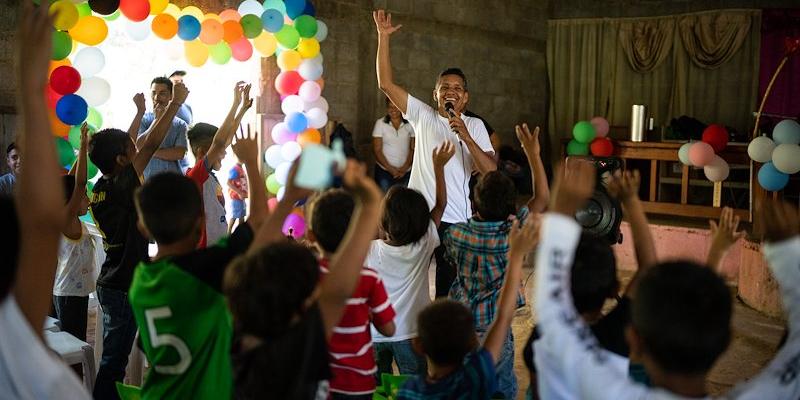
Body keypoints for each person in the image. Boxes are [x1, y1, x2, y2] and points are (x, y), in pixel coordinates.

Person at [532, 159, 736, 399]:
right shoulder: (614, 342)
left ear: (635, 340)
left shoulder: (569, 352)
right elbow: (650, 270)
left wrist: (562, 209)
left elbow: (553, 313)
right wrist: (716, 255)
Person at [224, 160, 383, 399]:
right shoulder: (300, 348)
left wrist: (287, 200)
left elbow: (252, 262)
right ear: (305, 302)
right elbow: (338, 291)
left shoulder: (228, 338)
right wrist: (370, 203)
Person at [128, 127, 265, 399]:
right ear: (200, 223)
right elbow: (259, 220)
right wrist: (251, 160)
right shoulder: (206, 269)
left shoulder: (141, 280)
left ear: (143, 228)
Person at [374, 9, 497, 297]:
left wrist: (464, 135)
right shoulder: (422, 115)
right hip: (418, 214)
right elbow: (385, 84)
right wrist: (383, 38)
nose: (450, 91)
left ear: (465, 97)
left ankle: (440, 338)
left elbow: (490, 171)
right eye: (445, 88)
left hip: (455, 220)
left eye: (457, 88)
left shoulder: (475, 126)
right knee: (408, 286)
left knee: (448, 289)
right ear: (435, 94)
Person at [1, 3, 90, 397]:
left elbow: (39, 225)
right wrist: (32, 89)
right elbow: (41, 223)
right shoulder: (39, 380)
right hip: (65, 295)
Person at [89, 82, 189, 399]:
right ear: (122, 160)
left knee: (120, 357)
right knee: (113, 362)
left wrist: (142, 113)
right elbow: (148, 145)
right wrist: (174, 105)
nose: (137, 148)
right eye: (130, 149)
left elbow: (137, 144)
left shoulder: (100, 187)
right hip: (121, 284)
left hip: (115, 280)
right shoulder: (122, 183)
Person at [526, 168, 657, 399]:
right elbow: (649, 270)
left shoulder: (545, 333)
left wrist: (561, 208)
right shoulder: (615, 337)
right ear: (615, 288)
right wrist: (631, 201)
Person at [444, 123, 549, 399]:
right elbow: (542, 198)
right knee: (500, 386)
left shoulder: (457, 234)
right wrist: (533, 154)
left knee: (464, 383)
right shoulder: (514, 232)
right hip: (496, 328)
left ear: (474, 205)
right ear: (512, 206)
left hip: (461, 327)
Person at [396, 216, 540, 399]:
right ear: (473, 341)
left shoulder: (409, 390)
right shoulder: (475, 375)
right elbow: (503, 317)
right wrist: (516, 255)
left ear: (418, 345)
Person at [367, 141, 454, 378]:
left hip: (374, 334)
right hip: (411, 334)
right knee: (413, 384)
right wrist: (439, 168)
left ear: (383, 222)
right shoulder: (425, 242)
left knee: (375, 390)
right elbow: (441, 205)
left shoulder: (369, 250)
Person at [308, 188, 397, 399]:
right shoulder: (368, 278)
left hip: (318, 381)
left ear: (311, 236)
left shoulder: (307, 275)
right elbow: (389, 329)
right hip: (359, 382)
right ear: (359, 234)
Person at [186, 82, 252, 247]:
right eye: (219, 150)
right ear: (202, 153)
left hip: (216, 246)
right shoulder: (196, 175)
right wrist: (235, 103)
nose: (224, 152)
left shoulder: (208, 176)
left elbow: (225, 140)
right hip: (205, 249)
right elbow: (220, 141)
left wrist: (243, 108)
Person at [53, 123, 95, 343]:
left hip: (77, 294)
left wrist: (82, 153)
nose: (87, 199)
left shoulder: (72, 218)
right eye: (84, 196)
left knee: (77, 342)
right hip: (68, 295)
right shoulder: (65, 219)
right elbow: (77, 184)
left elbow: (71, 183)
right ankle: (73, 377)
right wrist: (82, 146)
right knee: (73, 344)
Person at [136, 76, 189, 181]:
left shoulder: (180, 124)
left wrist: (150, 152)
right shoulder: (144, 120)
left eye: (162, 93)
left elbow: (179, 153)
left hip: (174, 182)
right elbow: (138, 146)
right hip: (150, 183)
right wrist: (156, 120)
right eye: (154, 93)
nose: (156, 97)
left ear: (171, 96)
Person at [373, 97, 415, 192]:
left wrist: (404, 168)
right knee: (384, 201)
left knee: (403, 201)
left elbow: (413, 149)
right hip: (384, 171)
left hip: (406, 172)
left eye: (395, 107)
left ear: (400, 108)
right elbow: (377, 150)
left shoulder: (410, 125)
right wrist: (391, 169)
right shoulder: (380, 123)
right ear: (387, 108)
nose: (393, 110)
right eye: (390, 107)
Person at [227, 159, 249, 234]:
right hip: (236, 198)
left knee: (241, 216)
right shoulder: (235, 169)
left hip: (241, 198)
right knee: (235, 216)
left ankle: (240, 234)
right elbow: (228, 183)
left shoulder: (241, 169)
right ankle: (228, 233)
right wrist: (239, 192)